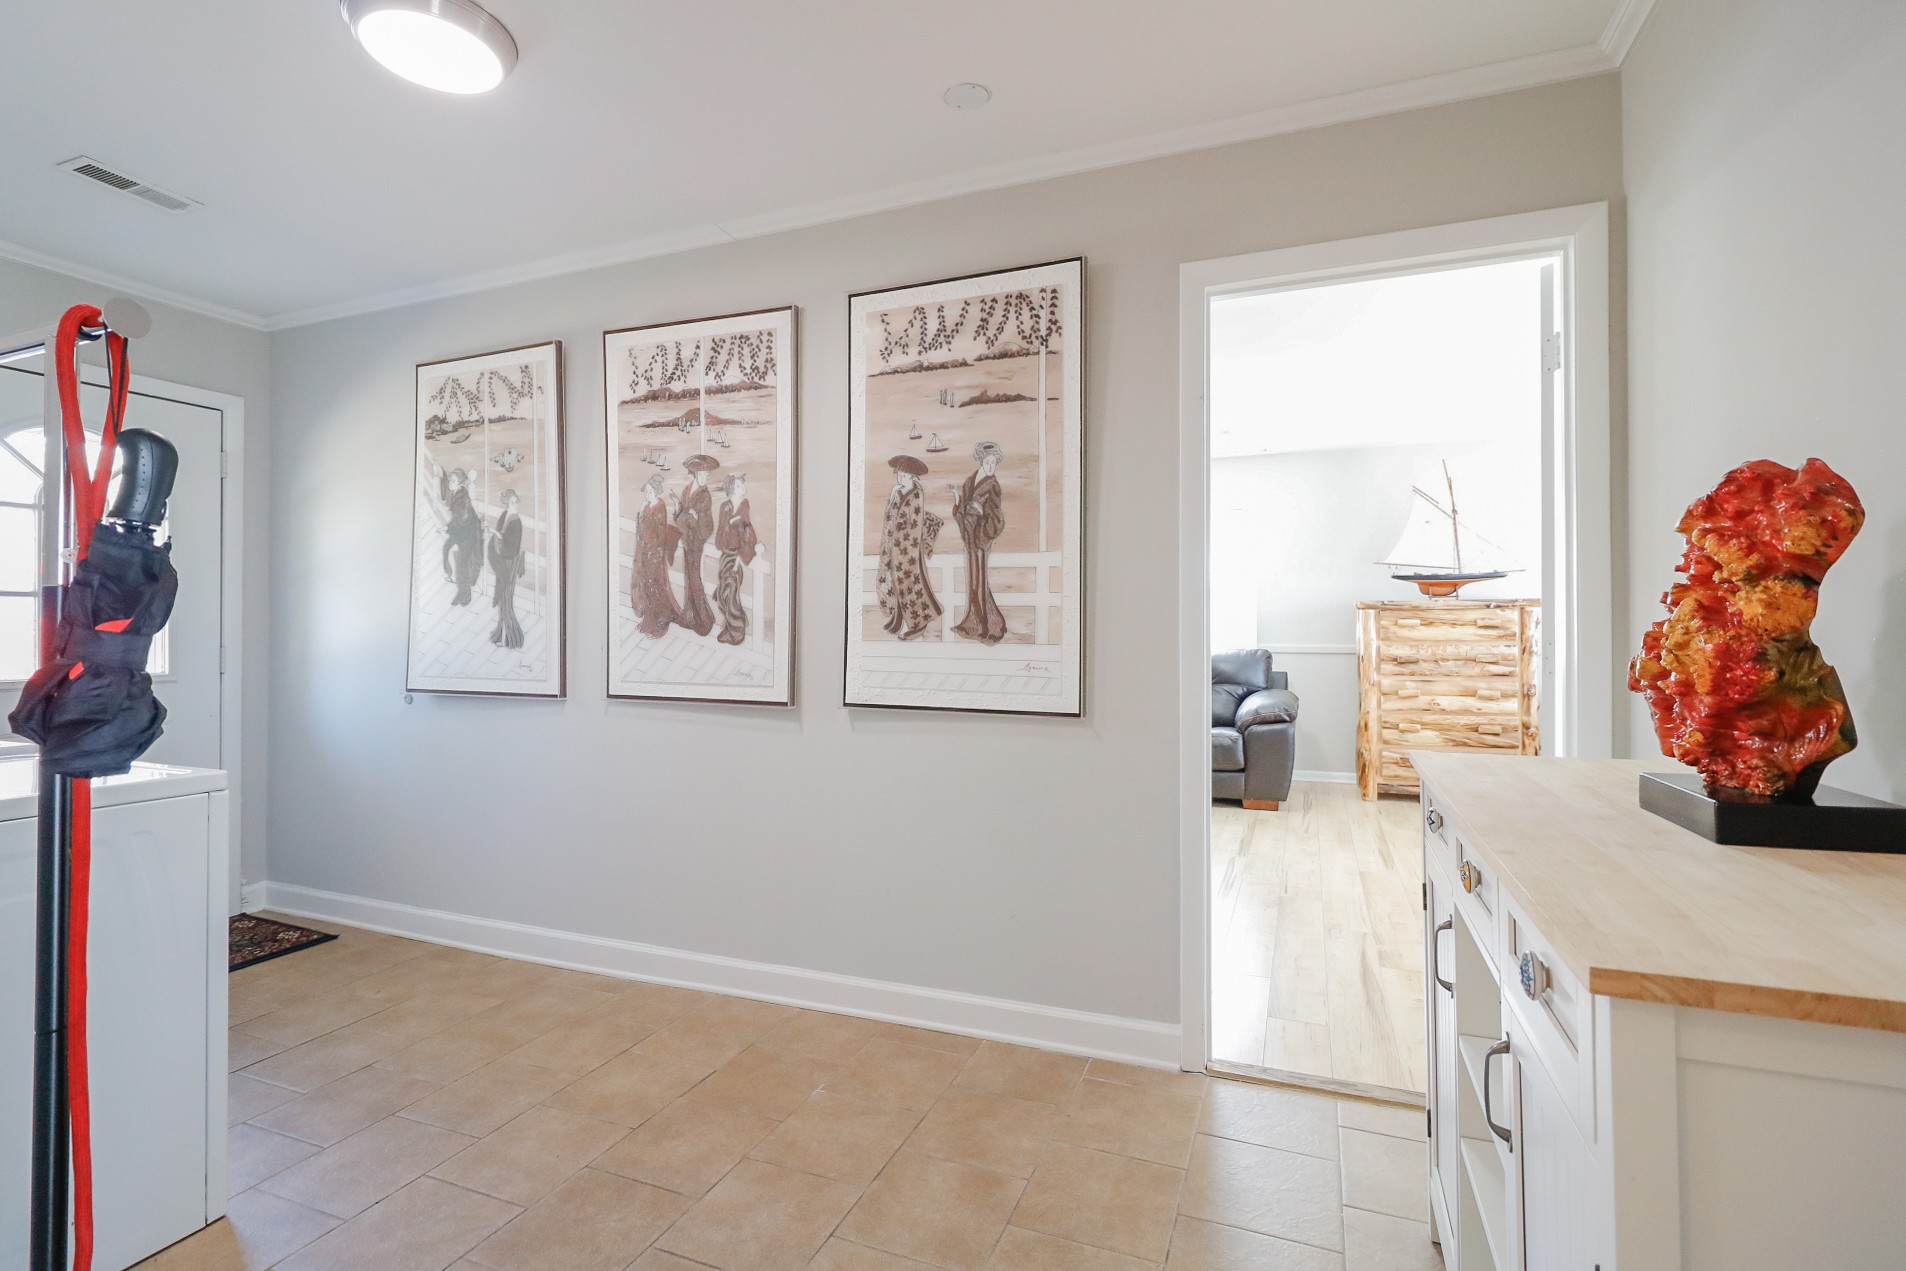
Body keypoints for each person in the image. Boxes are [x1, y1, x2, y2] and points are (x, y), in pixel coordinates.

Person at [876, 454, 942, 640]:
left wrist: (901, 544)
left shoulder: (916, 494)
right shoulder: (898, 491)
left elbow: (913, 523)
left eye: (904, 475)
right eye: (899, 474)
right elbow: (889, 518)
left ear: (913, 477)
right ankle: (898, 618)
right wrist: (892, 497)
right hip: (896, 548)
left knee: (910, 584)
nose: (900, 478)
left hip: (908, 549)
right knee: (896, 583)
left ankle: (918, 623)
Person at [952, 441, 1008, 644]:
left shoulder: (993, 485)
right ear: (981, 460)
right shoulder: (970, 480)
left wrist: (983, 522)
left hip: (982, 540)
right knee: (972, 581)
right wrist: (959, 501)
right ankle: (973, 623)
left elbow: (997, 517)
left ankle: (987, 626)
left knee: (980, 581)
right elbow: (963, 507)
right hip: (969, 537)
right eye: (988, 461)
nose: (991, 465)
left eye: (994, 462)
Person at [631, 473, 681, 638]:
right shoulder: (646, 506)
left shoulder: (660, 506)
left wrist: (649, 542)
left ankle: (660, 621)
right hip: (646, 553)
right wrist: (640, 512)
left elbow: (659, 532)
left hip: (655, 554)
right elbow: (641, 528)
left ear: (657, 491)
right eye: (647, 491)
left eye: (651, 491)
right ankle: (649, 619)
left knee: (656, 586)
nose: (648, 493)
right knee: (647, 586)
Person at [674, 453, 719, 637]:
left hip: (696, 541)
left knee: (694, 579)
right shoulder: (687, 490)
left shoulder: (705, 495)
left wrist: (693, 518)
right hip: (686, 539)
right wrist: (681, 509)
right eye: (700, 473)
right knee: (688, 578)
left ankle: (704, 619)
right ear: (693, 473)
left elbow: (707, 525)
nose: (703, 477)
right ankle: (690, 616)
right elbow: (681, 514)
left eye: (706, 474)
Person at [714, 473, 758, 646]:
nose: (744, 488)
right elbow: (720, 533)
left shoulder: (744, 505)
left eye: (743, 485)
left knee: (731, 591)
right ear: (732, 489)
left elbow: (747, 532)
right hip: (726, 553)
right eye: (739, 486)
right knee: (722, 593)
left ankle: (737, 631)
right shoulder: (725, 506)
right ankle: (731, 626)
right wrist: (730, 523)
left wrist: (741, 556)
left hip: (737, 554)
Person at [487, 489, 526, 649]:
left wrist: (496, 533)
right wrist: (496, 534)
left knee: (506, 598)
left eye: (516, 502)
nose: (515, 505)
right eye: (512, 502)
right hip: (501, 559)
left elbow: (513, 546)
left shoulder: (517, 522)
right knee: (503, 598)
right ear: (507, 503)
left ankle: (512, 638)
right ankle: (500, 634)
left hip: (509, 561)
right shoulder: (504, 516)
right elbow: (499, 535)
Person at [440, 466, 483, 606]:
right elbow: (458, 518)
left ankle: (465, 595)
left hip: (468, 534)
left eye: (452, 480)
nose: (450, 482)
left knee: (463, 564)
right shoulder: (459, 494)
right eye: (450, 480)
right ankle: (461, 591)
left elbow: (463, 518)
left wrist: (448, 528)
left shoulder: (462, 497)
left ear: (458, 482)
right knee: (451, 553)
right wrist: (448, 527)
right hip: (463, 532)